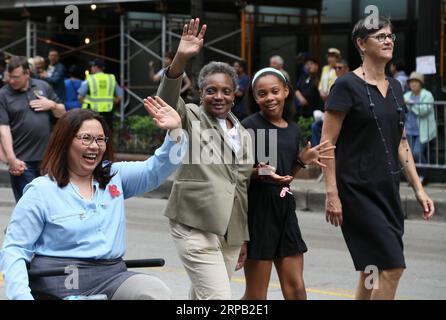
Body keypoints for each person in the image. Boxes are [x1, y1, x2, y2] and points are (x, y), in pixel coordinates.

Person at [0, 100, 187, 300]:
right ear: (65, 142)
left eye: (100, 139)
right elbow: (15, 250)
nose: (94, 146)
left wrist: (175, 132)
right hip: (57, 281)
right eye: (86, 138)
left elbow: (157, 169)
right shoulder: (40, 191)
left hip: (111, 276)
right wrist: (21, 297)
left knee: (153, 292)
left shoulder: (115, 176)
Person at [321, 16, 435, 300]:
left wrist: (419, 190)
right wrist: (332, 193)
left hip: (387, 190)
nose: (388, 41)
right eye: (380, 36)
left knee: (370, 270)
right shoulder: (346, 86)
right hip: (356, 190)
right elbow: (326, 144)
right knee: (392, 267)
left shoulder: (396, 88)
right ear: (361, 44)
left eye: (390, 36)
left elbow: (401, 142)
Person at [150, 18, 254, 300]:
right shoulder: (191, 116)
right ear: (200, 93)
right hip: (193, 227)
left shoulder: (244, 134)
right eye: (211, 90)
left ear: (235, 95)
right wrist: (181, 58)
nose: (218, 96)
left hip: (229, 234)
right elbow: (168, 101)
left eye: (225, 91)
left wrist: (242, 236)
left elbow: (241, 187)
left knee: (200, 300)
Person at [241, 67, 334, 300]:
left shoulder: (292, 130)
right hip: (257, 212)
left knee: (296, 289)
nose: (269, 98)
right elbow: (234, 176)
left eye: (274, 91)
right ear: (255, 97)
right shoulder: (248, 127)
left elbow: (285, 178)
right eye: (262, 94)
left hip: (284, 209)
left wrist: (301, 161)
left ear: (285, 91)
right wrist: (258, 173)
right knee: (256, 296)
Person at [0, 56, 65, 202]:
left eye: (15, 77)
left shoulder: (43, 87)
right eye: (9, 77)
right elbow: (3, 129)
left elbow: (63, 113)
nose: (11, 81)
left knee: (48, 202)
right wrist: (11, 159)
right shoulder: (3, 94)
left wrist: (52, 105)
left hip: (47, 160)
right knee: (28, 204)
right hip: (22, 162)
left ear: (27, 73)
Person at [404, 71, 437, 185]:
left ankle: (423, 175)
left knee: (417, 152)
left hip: (422, 131)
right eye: (411, 82)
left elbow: (423, 111)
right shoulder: (406, 95)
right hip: (408, 130)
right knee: (408, 155)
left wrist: (411, 104)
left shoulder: (427, 95)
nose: (413, 84)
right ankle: (414, 178)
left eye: (416, 82)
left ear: (421, 84)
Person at [311, 59, 350, 147]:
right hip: (331, 113)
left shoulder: (348, 82)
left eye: (340, 68)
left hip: (343, 116)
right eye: (335, 68)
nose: (337, 70)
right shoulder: (335, 81)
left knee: (319, 128)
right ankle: (318, 152)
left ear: (347, 69)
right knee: (316, 126)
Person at [78, 59, 123, 131]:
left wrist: (86, 104)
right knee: (107, 132)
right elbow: (120, 96)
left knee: (94, 133)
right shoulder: (111, 78)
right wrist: (111, 103)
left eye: (92, 66)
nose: (91, 68)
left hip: (93, 112)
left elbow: (80, 96)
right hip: (108, 112)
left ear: (95, 67)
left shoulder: (90, 78)